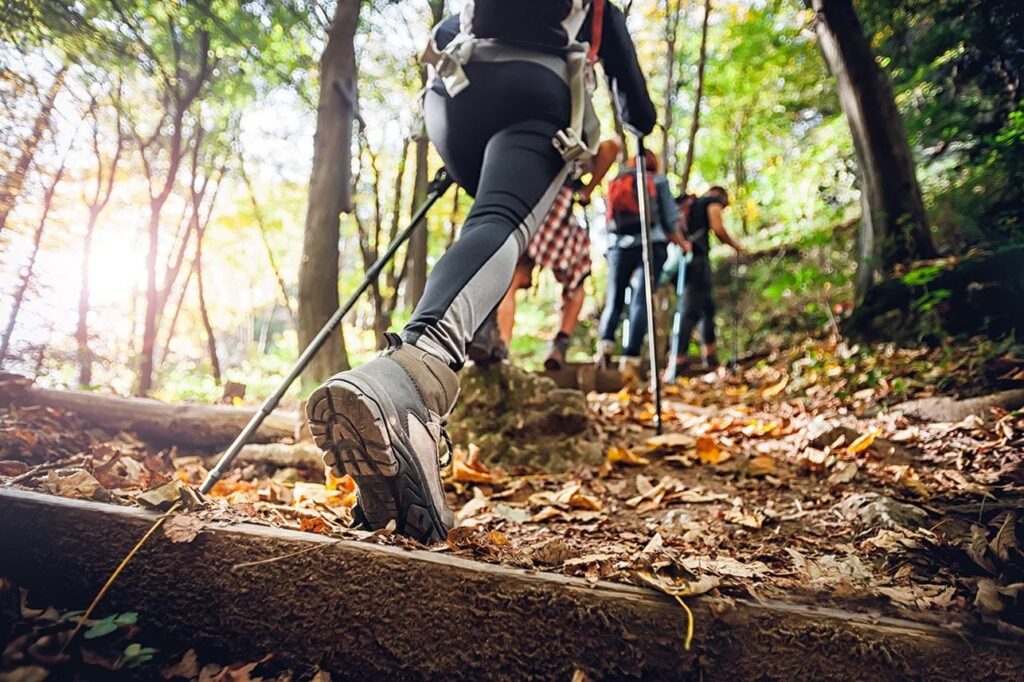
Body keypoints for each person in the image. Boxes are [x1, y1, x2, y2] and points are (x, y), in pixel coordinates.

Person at [305, 1, 656, 543]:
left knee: (485, 220)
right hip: (532, 93)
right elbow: (636, 107)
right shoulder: (598, 9)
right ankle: (414, 381)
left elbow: (448, 29)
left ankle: (477, 336)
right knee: (501, 222)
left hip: (453, 96)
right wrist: (638, 122)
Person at [470, 138, 622, 370]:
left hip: (524, 205)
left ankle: (499, 346)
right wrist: (588, 189)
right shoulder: (571, 136)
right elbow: (613, 146)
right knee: (575, 279)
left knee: (509, 280)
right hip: (558, 209)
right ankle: (559, 344)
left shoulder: (522, 140)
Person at [595, 150, 681, 382]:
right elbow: (670, 219)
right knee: (641, 300)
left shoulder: (617, 180)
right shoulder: (657, 180)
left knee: (614, 298)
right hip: (651, 244)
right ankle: (630, 359)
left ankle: (604, 345)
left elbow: (608, 219)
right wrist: (682, 242)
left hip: (618, 247)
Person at [667, 185, 743, 375]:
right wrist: (735, 245)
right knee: (690, 309)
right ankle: (678, 359)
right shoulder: (711, 201)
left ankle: (709, 355)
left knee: (707, 307)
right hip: (696, 260)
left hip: (683, 261)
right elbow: (718, 227)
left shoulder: (691, 206)